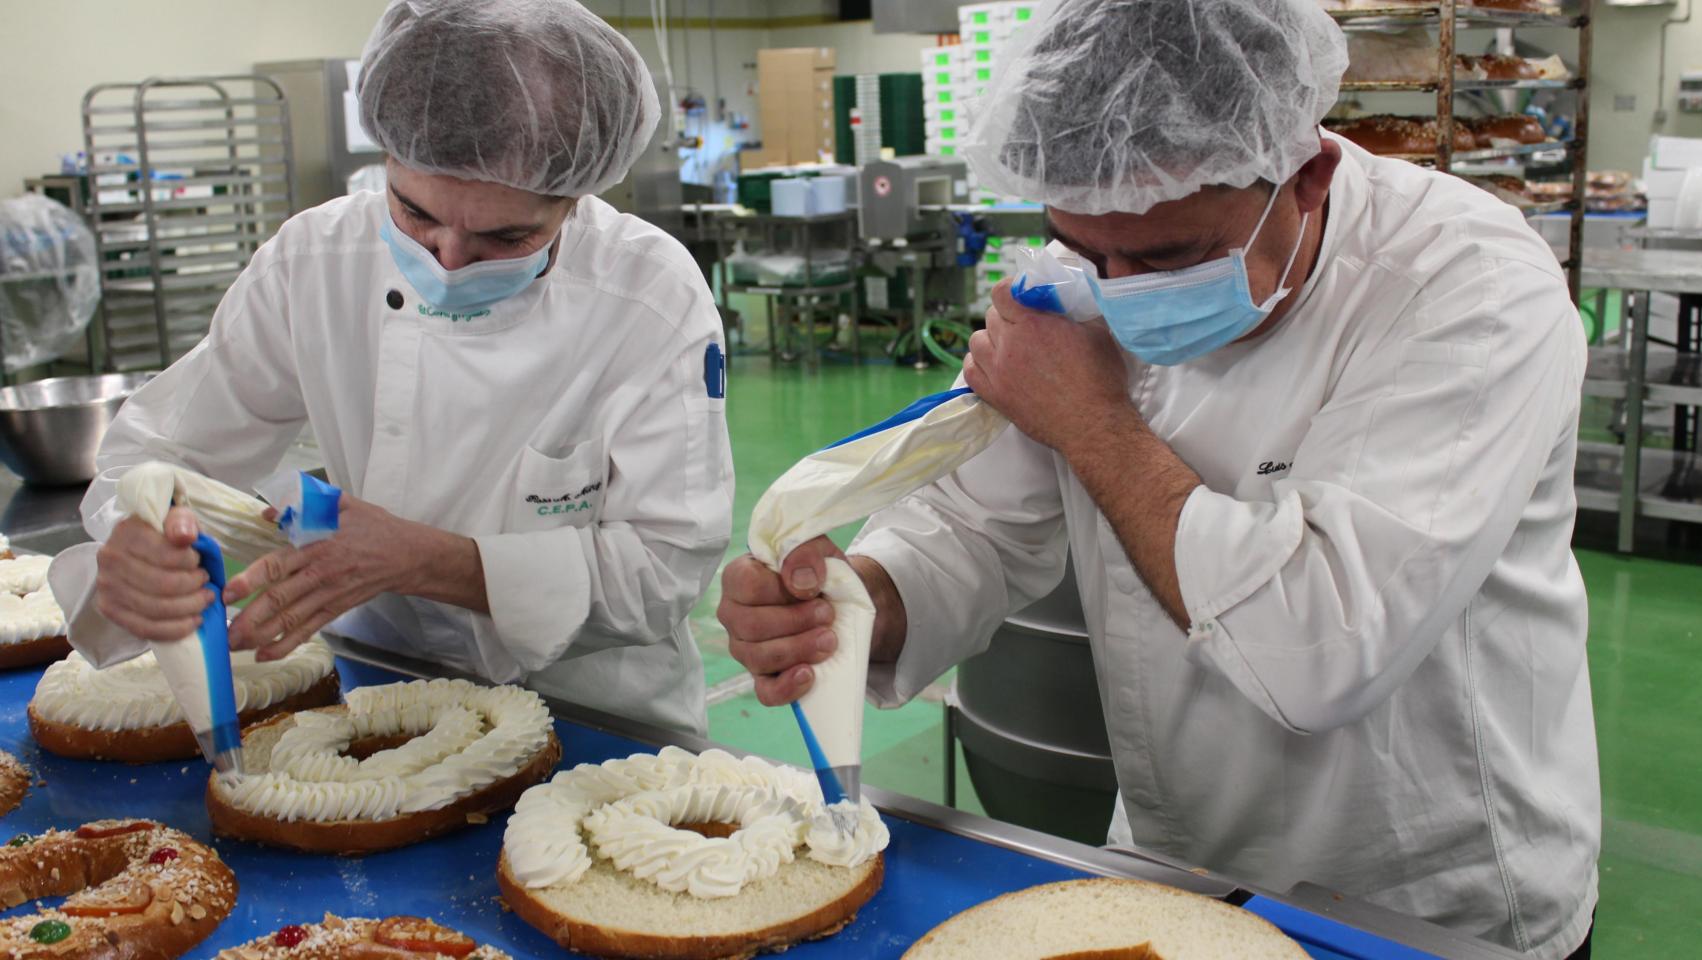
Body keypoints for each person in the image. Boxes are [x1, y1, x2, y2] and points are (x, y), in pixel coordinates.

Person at [718, 0, 1598, 956]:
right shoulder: (1086, 262)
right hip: (1177, 865)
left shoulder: (1464, 287)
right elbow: (979, 528)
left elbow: (1323, 648)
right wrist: (849, 606)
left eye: (1167, 256)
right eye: (1089, 248)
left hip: (1417, 893)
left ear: (1306, 174)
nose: (1121, 288)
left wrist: (1094, 421)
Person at [48, 0, 732, 735]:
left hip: (598, 714)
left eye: (506, 236)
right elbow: (165, 450)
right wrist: (139, 539)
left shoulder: (646, 298)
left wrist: (431, 562)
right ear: (387, 159)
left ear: (576, 196)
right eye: (414, 213)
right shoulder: (314, 263)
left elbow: (662, 570)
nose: (449, 258)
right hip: (379, 688)